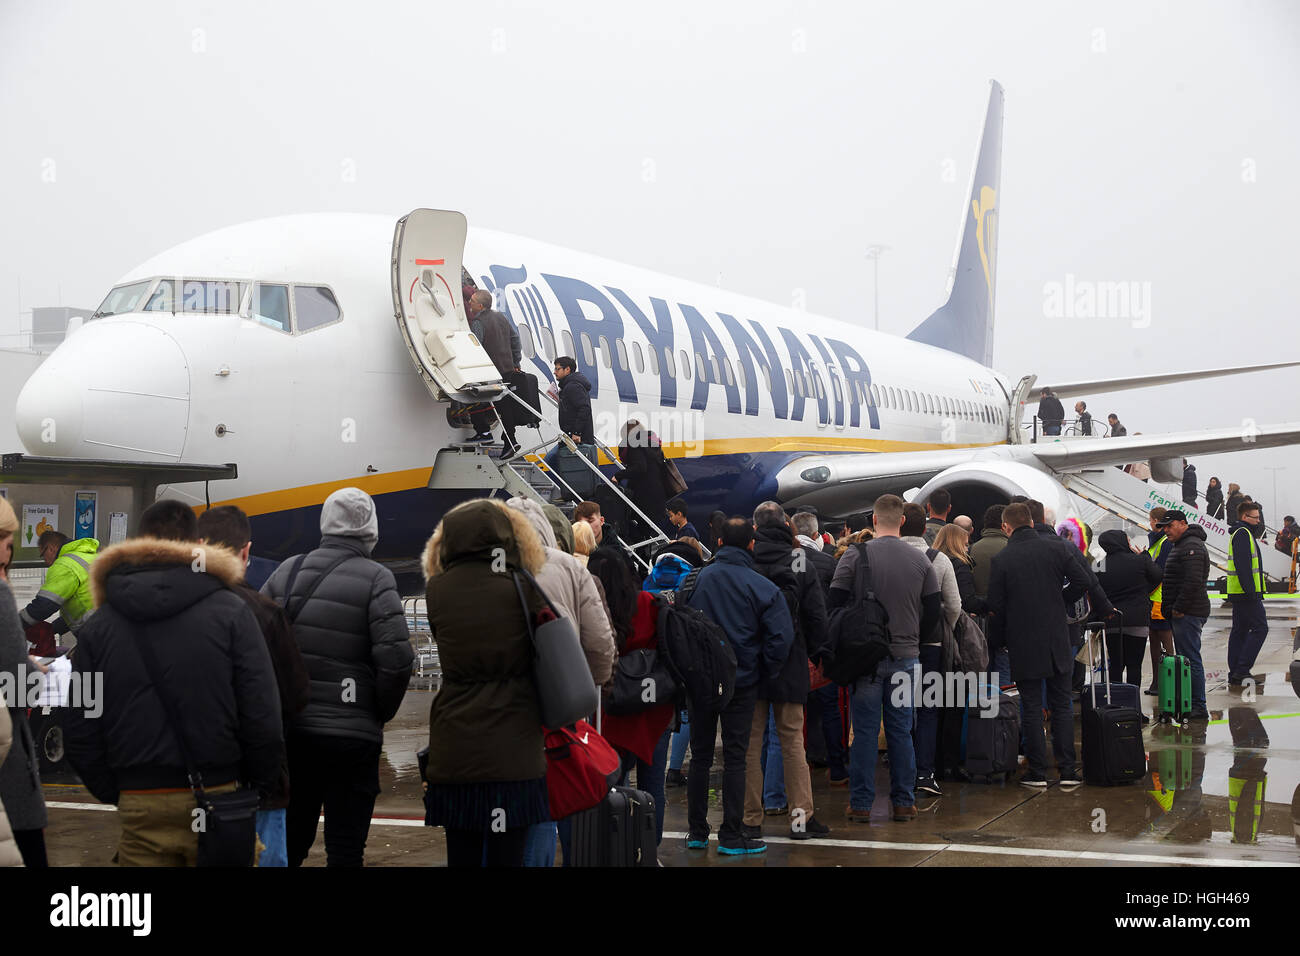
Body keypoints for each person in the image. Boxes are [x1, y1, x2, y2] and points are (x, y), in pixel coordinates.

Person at [65, 499, 283, 866]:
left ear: (138, 542)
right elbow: (262, 714)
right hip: (219, 796)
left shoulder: (99, 626)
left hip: (140, 801)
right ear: (196, 544)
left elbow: (80, 723)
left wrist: (117, 791)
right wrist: (254, 789)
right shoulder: (232, 612)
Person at [261, 488, 414, 867]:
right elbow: (396, 660)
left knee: (291, 840)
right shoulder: (377, 578)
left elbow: (256, 643)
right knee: (346, 849)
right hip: (353, 740)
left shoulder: (289, 570)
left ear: (325, 524)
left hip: (295, 734)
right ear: (371, 530)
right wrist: (375, 712)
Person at [421, 499, 551, 866]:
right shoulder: (523, 587)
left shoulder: (437, 591)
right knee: (507, 856)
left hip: (455, 749)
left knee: (461, 856)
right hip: (514, 751)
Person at [196, 506, 310, 868]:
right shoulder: (265, 613)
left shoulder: (168, 608)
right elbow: (292, 698)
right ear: (246, 551)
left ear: (197, 546)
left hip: (186, 783)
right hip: (258, 785)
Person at [506, 497, 615, 866]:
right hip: (560, 700)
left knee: (516, 803)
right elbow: (600, 643)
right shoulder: (568, 566)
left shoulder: (479, 569)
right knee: (567, 789)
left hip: (499, 710)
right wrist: (590, 688)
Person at [683, 517, 794, 856]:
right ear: (751, 544)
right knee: (736, 756)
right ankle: (731, 834)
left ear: (717, 543)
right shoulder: (761, 586)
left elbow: (678, 625)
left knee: (700, 756)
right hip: (741, 682)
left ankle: (696, 832)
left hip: (701, 681)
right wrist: (762, 669)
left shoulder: (695, 580)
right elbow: (781, 637)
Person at [830, 495, 940, 822]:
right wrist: (911, 635)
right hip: (906, 658)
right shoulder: (921, 560)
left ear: (874, 520)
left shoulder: (854, 554)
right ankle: (904, 802)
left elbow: (833, 601)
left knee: (864, 733)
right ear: (902, 521)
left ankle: (861, 805)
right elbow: (934, 609)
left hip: (865, 660)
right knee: (901, 732)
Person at [986, 503, 1097, 788]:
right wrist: (1060, 601)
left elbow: (996, 608)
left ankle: (1037, 770)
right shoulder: (1058, 548)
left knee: (1032, 706)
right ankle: (1068, 770)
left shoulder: (1003, 559)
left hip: (1023, 641)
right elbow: (1084, 579)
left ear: (1006, 527)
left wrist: (996, 641)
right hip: (1057, 637)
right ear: (1033, 523)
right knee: (1061, 703)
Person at [744, 502, 830, 841]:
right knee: (792, 741)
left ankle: (751, 820)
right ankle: (800, 819)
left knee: (751, 744)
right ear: (785, 523)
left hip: (751, 662)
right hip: (790, 659)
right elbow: (815, 614)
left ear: (755, 525)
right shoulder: (799, 559)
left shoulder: (746, 559)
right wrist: (820, 651)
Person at [590, 547, 674, 846]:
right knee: (654, 785)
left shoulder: (596, 609)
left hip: (614, 707)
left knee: (614, 783)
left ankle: (618, 848)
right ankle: (649, 849)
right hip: (655, 707)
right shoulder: (650, 602)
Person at [0, 496, 48, 867]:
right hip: (7, 778)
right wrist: (35, 670)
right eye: (6, 540)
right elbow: (19, 685)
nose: (9, 552)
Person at [900, 503, 960, 796]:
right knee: (928, 709)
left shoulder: (880, 555)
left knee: (898, 708)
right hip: (931, 645)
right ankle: (924, 773)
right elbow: (954, 605)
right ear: (925, 529)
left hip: (895, 644)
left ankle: (902, 772)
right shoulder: (939, 559)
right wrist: (940, 627)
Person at [642, 542, 699, 789]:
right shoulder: (692, 578)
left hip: (654, 657)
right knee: (686, 713)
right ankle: (677, 768)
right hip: (685, 651)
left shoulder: (651, 577)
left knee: (661, 717)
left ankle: (666, 769)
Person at [1094, 530, 1162, 692]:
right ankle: (1134, 708)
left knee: (1116, 666)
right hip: (1138, 620)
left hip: (1112, 620)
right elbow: (1158, 575)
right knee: (1134, 665)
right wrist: (1145, 590)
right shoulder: (1139, 561)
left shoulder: (1099, 565)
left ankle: (1117, 704)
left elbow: (1094, 589)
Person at [1158, 511, 1211, 720]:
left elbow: (1193, 581)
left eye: (1169, 526)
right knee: (1186, 658)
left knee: (1190, 659)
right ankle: (1189, 702)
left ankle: (1198, 706)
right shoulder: (1183, 545)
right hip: (1184, 611)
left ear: (1182, 523)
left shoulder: (1191, 546)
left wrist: (1178, 607)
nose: (1166, 530)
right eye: (1163, 527)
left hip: (1188, 612)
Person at [465, 290, 523, 450]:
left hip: (489, 370)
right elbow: (515, 339)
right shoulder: (501, 317)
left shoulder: (478, 321)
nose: (469, 303)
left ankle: (484, 432)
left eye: (472, 300)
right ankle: (511, 440)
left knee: (473, 395)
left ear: (480, 305)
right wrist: (516, 361)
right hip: (506, 368)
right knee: (505, 406)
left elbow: (476, 347)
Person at [19, 529, 99, 644]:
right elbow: (83, 607)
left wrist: (14, 624)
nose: (46, 561)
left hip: (99, 632)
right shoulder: (88, 557)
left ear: (51, 548)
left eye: (43, 555)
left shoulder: (64, 564)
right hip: (112, 628)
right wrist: (52, 629)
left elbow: (44, 605)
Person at [1225, 501, 1269, 687]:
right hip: (1246, 594)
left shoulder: (1242, 533)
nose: (1259, 521)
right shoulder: (1243, 534)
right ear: (1245, 517)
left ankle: (1236, 672)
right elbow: (1243, 567)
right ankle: (1242, 669)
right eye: (1256, 517)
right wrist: (1252, 592)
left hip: (1240, 592)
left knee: (1240, 631)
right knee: (1260, 628)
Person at [617, 420, 672, 541]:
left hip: (644, 496)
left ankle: (642, 556)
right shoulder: (652, 444)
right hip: (657, 496)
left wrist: (618, 476)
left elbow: (640, 467)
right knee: (645, 533)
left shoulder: (634, 445)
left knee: (634, 529)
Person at [1144, 508, 1176, 696]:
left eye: (1150, 520)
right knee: (1156, 642)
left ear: (1155, 521)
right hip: (1154, 600)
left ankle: (1170, 682)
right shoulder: (1158, 542)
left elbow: (1158, 571)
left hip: (1159, 599)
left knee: (1165, 643)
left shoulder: (1164, 543)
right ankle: (1158, 682)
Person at [552, 356, 595, 446]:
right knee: (551, 458)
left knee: (550, 459)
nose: (554, 372)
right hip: (571, 438)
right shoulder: (569, 386)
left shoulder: (572, 386)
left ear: (567, 369)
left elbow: (585, 408)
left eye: (557, 369)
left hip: (576, 440)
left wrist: (576, 432)